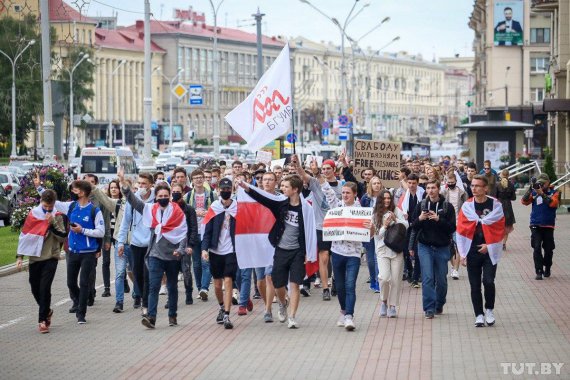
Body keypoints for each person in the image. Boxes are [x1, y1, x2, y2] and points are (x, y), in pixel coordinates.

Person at [238, 171, 317, 329]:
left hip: (297, 252)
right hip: (280, 249)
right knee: (278, 283)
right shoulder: (281, 204)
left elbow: (310, 230)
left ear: (295, 189)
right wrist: (245, 187)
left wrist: (308, 252)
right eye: (282, 186)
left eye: (286, 186)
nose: (282, 188)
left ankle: (293, 317)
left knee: (295, 284)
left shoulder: (306, 209)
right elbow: (262, 197)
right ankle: (283, 303)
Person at [119, 169, 188, 329]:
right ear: (155, 198)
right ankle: (151, 317)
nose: (163, 198)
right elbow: (133, 201)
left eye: (166, 196)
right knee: (153, 286)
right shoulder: (150, 210)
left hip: (173, 255)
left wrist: (181, 249)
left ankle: (172, 315)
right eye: (160, 196)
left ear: (170, 196)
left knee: (171, 286)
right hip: (155, 255)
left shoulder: (177, 212)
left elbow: (183, 233)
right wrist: (124, 184)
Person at [35, 178, 105, 324]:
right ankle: (81, 300)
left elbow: (101, 232)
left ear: (83, 192)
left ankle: (81, 313)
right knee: (71, 283)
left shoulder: (94, 210)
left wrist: (83, 230)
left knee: (84, 282)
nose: (72, 192)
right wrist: (39, 188)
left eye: (75, 190)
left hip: (88, 253)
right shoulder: (71, 206)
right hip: (73, 251)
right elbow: (55, 203)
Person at [457, 175, 505, 327]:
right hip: (472, 248)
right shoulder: (467, 206)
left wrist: (489, 245)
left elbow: (499, 228)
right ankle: (478, 314)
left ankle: (489, 309)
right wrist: (462, 253)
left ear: (485, 188)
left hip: (490, 249)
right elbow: (461, 229)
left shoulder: (495, 204)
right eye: (472, 185)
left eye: (478, 186)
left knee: (488, 281)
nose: (474, 188)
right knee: (475, 284)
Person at [16, 190, 67, 333]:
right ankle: (47, 310)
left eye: (50, 207)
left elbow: (63, 236)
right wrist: (19, 257)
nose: (48, 209)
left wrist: (52, 225)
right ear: (41, 202)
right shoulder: (33, 214)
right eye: (46, 206)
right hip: (34, 257)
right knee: (34, 287)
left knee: (45, 288)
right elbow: (25, 236)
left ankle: (42, 320)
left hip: (51, 256)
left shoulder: (57, 216)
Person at [409, 180, 456, 319]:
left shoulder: (447, 206)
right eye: (428, 188)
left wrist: (438, 219)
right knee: (428, 277)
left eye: (433, 188)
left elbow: (452, 228)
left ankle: (439, 303)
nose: (430, 191)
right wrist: (420, 218)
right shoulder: (421, 205)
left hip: (442, 247)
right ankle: (429, 308)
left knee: (441, 279)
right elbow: (413, 226)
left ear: (438, 189)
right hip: (425, 246)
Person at [325, 182, 369, 330]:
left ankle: (349, 316)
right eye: (343, 193)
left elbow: (369, 234)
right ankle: (343, 311)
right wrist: (318, 174)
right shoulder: (337, 207)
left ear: (355, 194)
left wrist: (371, 227)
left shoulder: (361, 211)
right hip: (337, 252)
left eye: (348, 193)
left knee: (350, 285)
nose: (345, 195)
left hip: (353, 255)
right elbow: (329, 193)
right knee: (341, 287)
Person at [202, 178, 238, 329]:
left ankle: (227, 315)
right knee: (217, 285)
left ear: (232, 190)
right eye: (222, 189)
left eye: (228, 189)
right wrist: (204, 248)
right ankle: (222, 306)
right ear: (218, 190)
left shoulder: (238, 207)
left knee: (228, 280)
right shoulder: (214, 207)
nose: (225, 191)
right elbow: (207, 230)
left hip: (231, 249)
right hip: (215, 250)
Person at [90, 180, 132, 313]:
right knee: (119, 273)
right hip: (120, 243)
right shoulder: (119, 204)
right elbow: (105, 200)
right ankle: (119, 302)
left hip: (136, 245)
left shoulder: (140, 205)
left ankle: (137, 295)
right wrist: (95, 188)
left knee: (135, 272)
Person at [117, 173, 155, 312]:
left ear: (151, 184)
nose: (141, 186)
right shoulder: (133, 199)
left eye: (144, 183)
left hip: (152, 243)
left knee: (147, 274)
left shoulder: (157, 199)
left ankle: (146, 304)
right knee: (137, 274)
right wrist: (121, 242)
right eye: (139, 183)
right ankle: (144, 296)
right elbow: (125, 222)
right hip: (136, 243)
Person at [374, 190, 408, 318]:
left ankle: (392, 306)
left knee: (395, 279)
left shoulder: (397, 210)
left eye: (389, 198)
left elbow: (406, 225)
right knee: (384, 277)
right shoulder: (376, 214)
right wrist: (385, 226)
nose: (387, 201)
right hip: (382, 250)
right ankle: (383, 301)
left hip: (396, 250)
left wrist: (396, 219)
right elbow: (376, 235)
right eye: (384, 199)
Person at [185, 169, 217, 301]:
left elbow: (217, 211)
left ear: (204, 179)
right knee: (196, 264)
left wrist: (208, 212)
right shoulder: (188, 196)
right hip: (193, 232)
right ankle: (199, 289)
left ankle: (204, 288)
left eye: (200, 177)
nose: (198, 180)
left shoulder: (212, 195)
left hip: (206, 232)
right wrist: (194, 212)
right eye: (195, 177)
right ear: (192, 180)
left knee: (206, 261)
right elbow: (183, 213)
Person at [521, 173, 559, 280]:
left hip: (548, 225)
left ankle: (547, 267)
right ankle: (538, 271)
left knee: (548, 249)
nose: (542, 184)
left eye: (544, 183)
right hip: (535, 224)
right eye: (540, 182)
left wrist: (542, 193)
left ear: (548, 182)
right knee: (536, 247)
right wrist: (530, 188)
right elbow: (524, 201)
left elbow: (553, 203)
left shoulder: (554, 192)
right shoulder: (534, 191)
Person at [171, 182, 199, 306]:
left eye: (178, 192)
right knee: (171, 272)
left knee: (186, 270)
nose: (176, 194)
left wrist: (190, 245)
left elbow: (193, 228)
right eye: (174, 192)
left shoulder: (189, 209)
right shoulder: (168, 207)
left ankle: (189, 293)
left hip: (185, 242)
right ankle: (171, 298)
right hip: (171, 244)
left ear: (183, 193)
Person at [397, 173, 425, 287]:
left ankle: (416, 276)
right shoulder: (405, 195)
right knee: (406, 251)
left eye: (414, 183)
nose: (412, 185)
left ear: (417, 183)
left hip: (419, 226)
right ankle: (409, 270)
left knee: (417, 252)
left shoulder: (422, 194)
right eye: (409, 183)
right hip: (408, 226)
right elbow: (400, 209)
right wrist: (403, 214)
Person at [441, 170, 467, 280]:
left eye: (453, 182)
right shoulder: (443, 193)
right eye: (449, 182)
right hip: (447, 224)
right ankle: (452, 266)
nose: (451, 184)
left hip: (459, 223)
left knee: (458, 247)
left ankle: (456, 270)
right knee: (449, 247)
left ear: (456, 181)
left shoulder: (462, 193)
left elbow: (467, 207)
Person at [360, 175, 384, 292]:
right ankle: (373, 279)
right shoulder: (365, 198)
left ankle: (379, 282)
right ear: (370, 185)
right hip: (368, 231)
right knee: (370, 258)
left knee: (378, 257)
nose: (376, 185)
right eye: (374, 183)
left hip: (381, 230)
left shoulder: (384, 197)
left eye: (378, 183)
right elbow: (360, 213)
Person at [496, 169, 516, 251]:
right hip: (508, 207)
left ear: (501, 175)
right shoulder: (511, 184)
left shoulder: (497, 184)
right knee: (507, 226)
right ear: (508, 175)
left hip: (499, 206)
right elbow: (514, 198)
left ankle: (499, 243)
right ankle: (504, 244)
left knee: (498, 226)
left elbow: (495, 196)